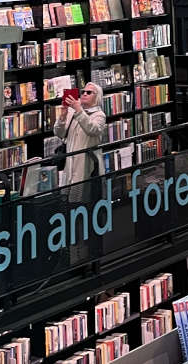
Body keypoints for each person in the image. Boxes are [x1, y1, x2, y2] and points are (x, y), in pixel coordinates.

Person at [54, 82, 107, 265]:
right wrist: (62, 114)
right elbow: (59, 133)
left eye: (88, 92)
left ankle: (90, 253)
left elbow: (93, 129)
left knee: (86, 210)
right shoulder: (72, 113)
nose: (83, 94)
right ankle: (72, 252)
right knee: (69, 209)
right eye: (82, 91)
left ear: (96, 97)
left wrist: (77, 110)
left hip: (87, 171)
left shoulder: (99, 115)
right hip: (70, 169)